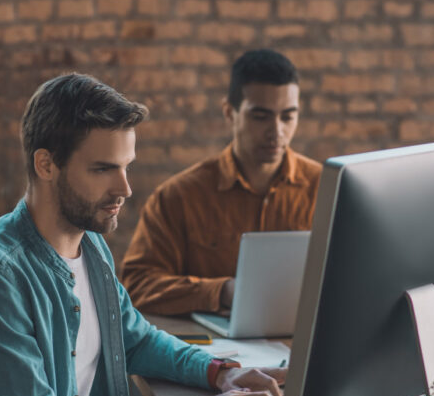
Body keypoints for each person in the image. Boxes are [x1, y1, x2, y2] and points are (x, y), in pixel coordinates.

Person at [0, 73, 286, 396]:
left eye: (127, 166)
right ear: (46, 165)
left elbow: (133, 339)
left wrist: (219, 374)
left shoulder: (90, 244)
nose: (124, 188)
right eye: (103, 169)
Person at [121, 49, 322, 315]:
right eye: (260, 116)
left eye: (288, 116)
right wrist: (222, 292)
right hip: (213, 349)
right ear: (229, 112)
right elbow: (137, 284)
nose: (277, 131)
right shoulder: (179, 196)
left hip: (301, 345)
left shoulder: (325, 188)